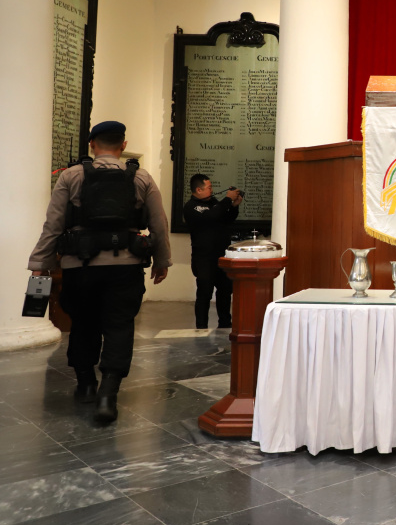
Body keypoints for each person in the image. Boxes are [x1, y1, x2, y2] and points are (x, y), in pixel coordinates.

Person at [28, 121, 171, 423]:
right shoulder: (141, 177)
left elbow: (53, 225)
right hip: (126, 267)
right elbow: (158, 224)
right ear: (123, 145)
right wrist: (162, 260)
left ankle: (86, 385)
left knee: (83, 323)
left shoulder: (71, 176)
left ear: (92, 144)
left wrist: (41, 263)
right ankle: (108, 394)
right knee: (120, 326)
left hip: (79, 266)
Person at [183, 174, 242, 329]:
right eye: (209, 187)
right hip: (204, 258)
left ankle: (225, 324)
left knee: (225, 291)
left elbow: (226, 219)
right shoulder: (191, 207)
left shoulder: (213, 202)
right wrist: (227, 199)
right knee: (204, 293)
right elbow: (211, 216)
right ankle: (201, 327)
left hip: (221, 256)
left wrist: (234, 206)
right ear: (199, 190)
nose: (212, 190)